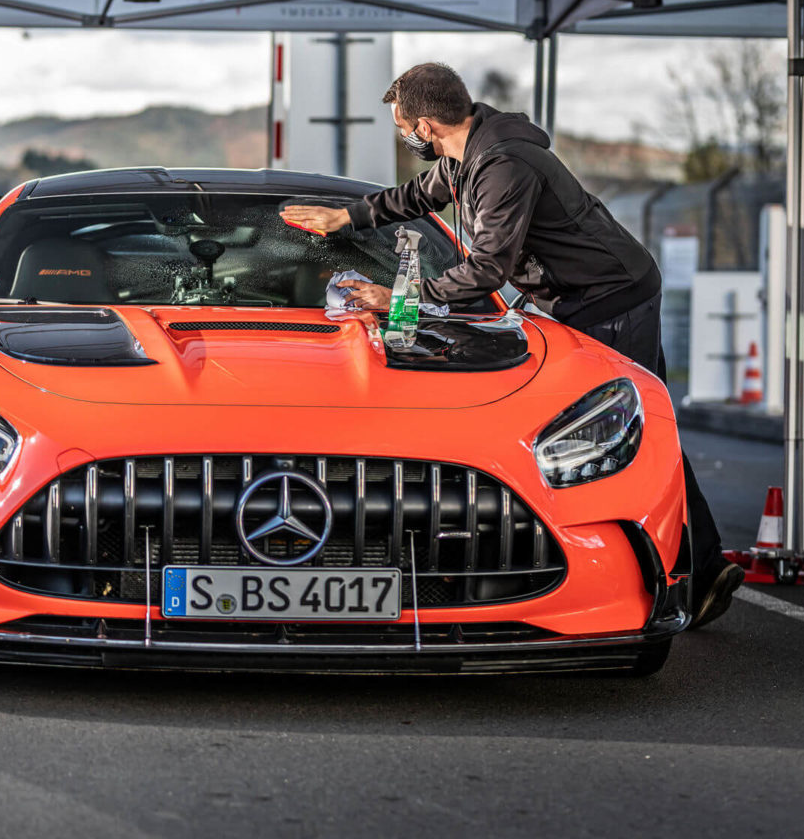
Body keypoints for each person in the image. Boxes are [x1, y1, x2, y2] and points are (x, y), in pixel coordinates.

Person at [280, 62, 743, 629]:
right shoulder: (464, 153)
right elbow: (413, 197)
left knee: (620, 431)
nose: (405, 137)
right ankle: (705, 567)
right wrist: (345, 217)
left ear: (425, 125)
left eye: (403, 126)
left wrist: (394, 295)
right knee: (624, 429)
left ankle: (672, 577)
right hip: (579, 296)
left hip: (611, 298)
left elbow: (485, 273)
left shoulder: (502, 164)